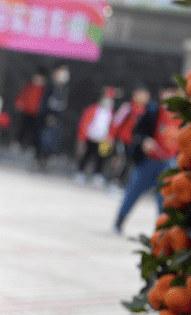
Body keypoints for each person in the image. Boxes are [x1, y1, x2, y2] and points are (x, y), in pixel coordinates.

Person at [114, 86, 181, 234]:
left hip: (168, 164)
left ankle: (162, 232)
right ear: (162, 93)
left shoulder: (182, 117)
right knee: (133, 193)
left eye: (175, 93)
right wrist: (145, 141)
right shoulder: (152, 111)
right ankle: (119, 221)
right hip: (148, 162)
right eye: (168, 92)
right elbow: (137, 132)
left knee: (164, 201)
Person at [109, 86, 151, 186]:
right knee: (121, 159)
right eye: (142, 95)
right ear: (135, 95)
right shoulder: (127, 107)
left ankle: (120, 182)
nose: (145, 98)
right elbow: (116, 122)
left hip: (134, 142)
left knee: (129, 162)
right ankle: (114, 181)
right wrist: (111, 136)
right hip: (122, 139)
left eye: (146, 96)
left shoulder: (146, 111)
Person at [74, 88, 115, 185]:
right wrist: (82, 137)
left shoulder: (111, 112)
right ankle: (80, 173)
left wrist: (110, 138)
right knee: (86, 155)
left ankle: (97, 175)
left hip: (103, 140)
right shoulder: (92, 108)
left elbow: (112, 126)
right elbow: (84, 123)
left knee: (101, 158)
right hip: (90, 137)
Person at [36, 65, 71, 170]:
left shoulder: (65, 89)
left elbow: (63, 105)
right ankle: (38, 159)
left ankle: (47, 159)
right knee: (42, 139)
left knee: (52, 140)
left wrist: (56, 117)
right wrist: (47, 115)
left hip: (56, 119)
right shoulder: (50, 87)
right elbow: (44, 102)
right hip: (45, 117)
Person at [13, 69, 46, 154]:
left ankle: (31, 146)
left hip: (36, 113)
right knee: (22, 128)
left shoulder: (43, 89)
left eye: (39, 79)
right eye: (36, 78)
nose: (37, 80)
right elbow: (22, 95)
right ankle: (18, 143)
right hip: (26, 111)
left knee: (34, 131)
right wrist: (18, 102)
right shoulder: (29, 86)